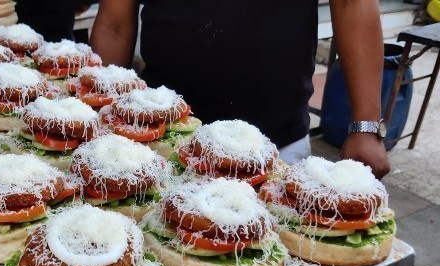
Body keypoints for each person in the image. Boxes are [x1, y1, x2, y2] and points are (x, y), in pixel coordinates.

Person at [90, 0, 390, 178]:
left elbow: (353, 3)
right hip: (160, 141)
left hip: (277, 146)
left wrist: (366, 127)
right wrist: (97, 119)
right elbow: (114, 24)